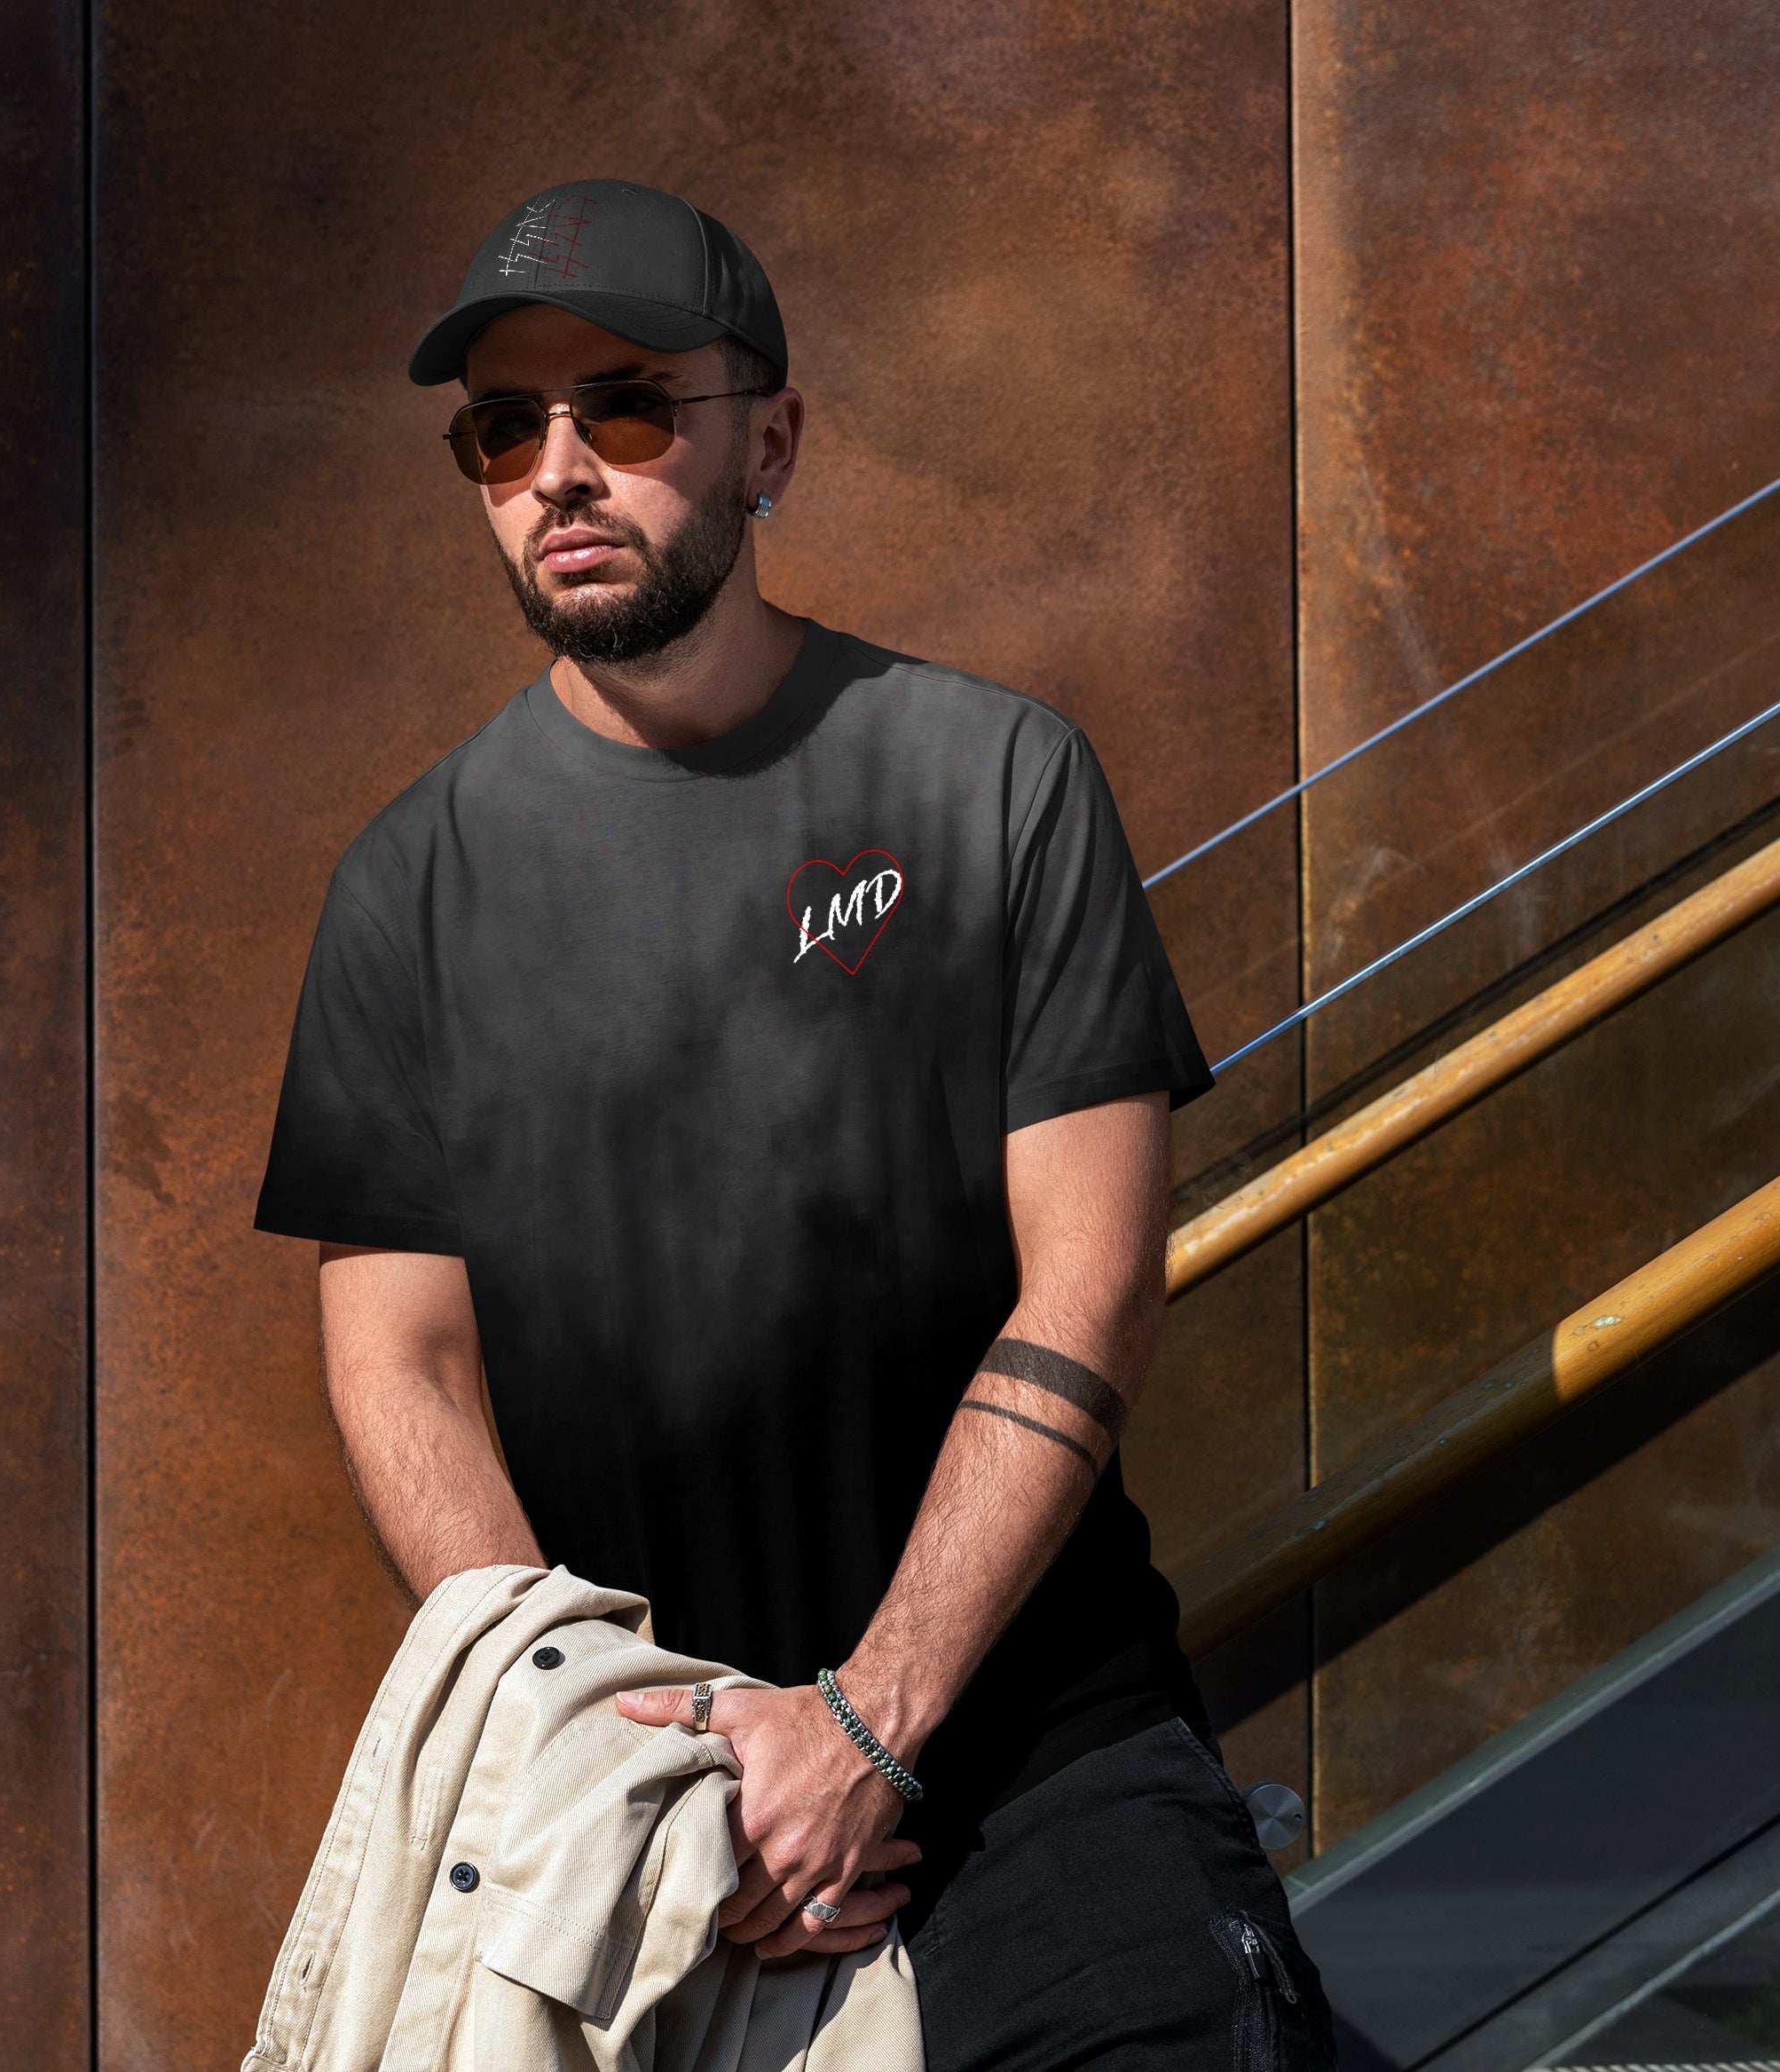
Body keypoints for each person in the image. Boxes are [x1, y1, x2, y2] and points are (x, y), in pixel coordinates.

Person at [255, 178, 1334, 2072]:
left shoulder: (990, 777)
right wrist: (621, 1749)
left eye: (628, 407)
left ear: (773, 438)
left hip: (1025, 1751)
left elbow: (1091, 1279)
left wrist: (868, 1718)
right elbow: (401, 1368)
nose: (560, 470)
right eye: (504, 430)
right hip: (644, 1790)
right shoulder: (405, 890)